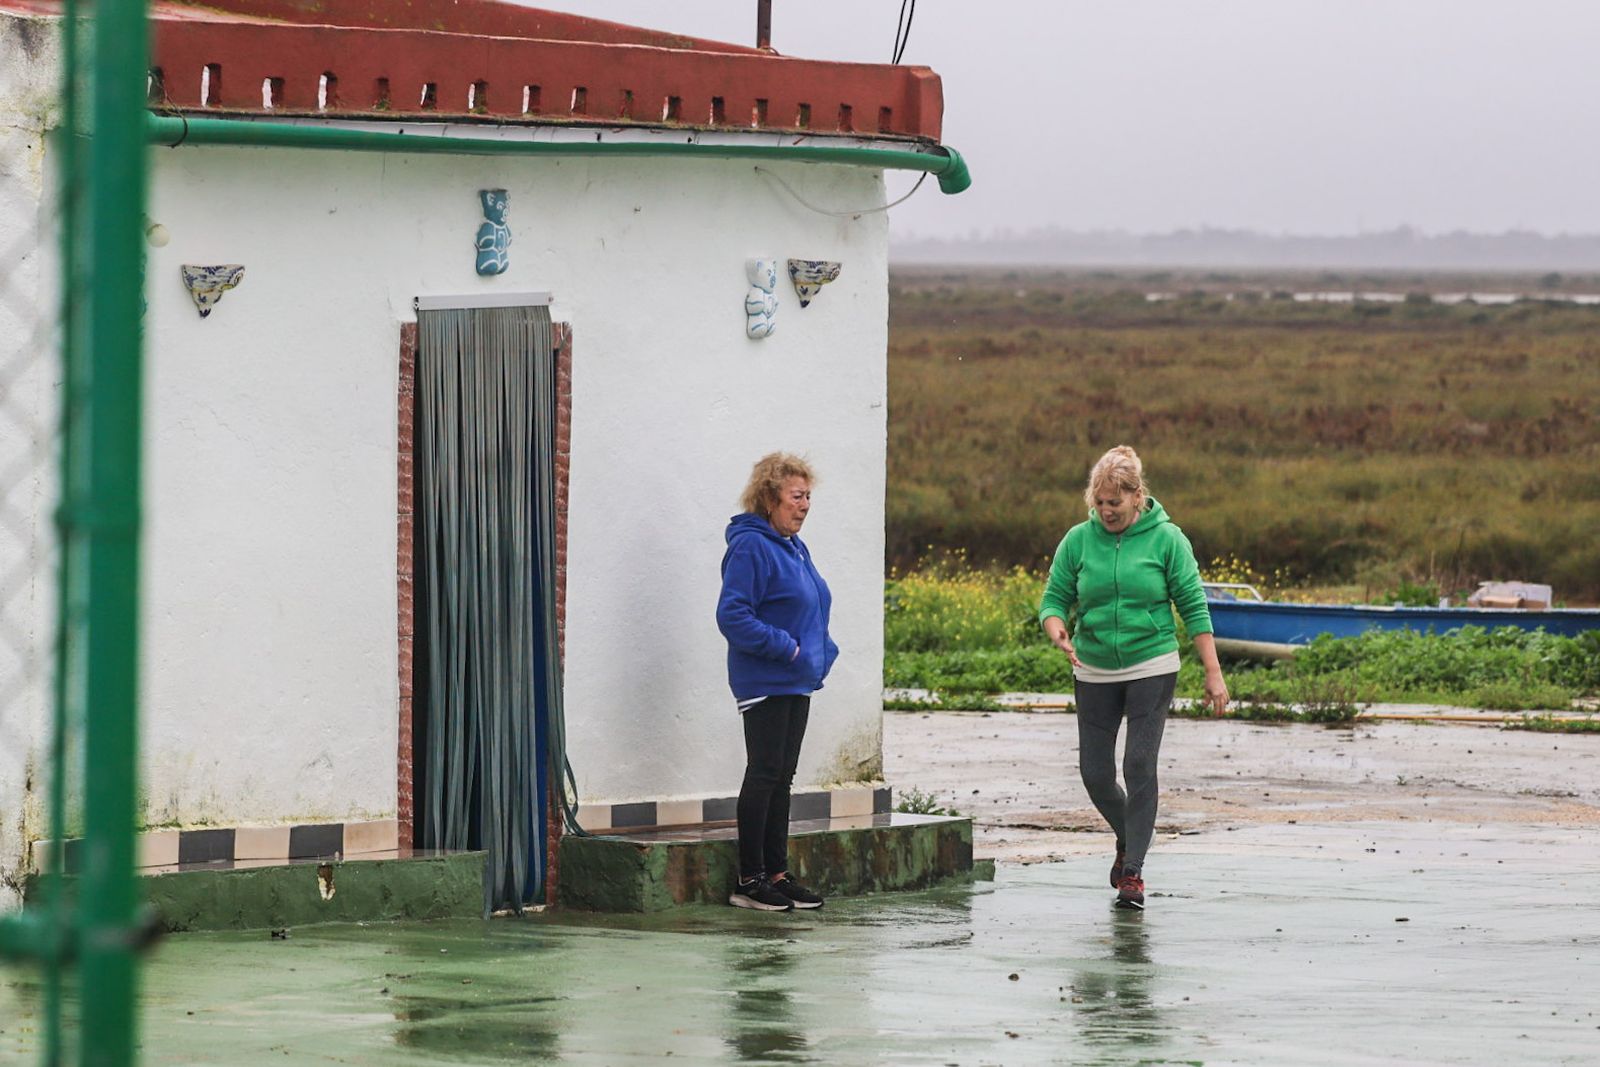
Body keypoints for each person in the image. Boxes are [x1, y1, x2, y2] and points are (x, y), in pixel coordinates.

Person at [1039, 445, 1228, 909]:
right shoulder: (1078, 541)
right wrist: (1057, 629)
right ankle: (1130, 834)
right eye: (1099, 503)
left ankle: (1133, 872)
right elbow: (1054, 598)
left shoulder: (1168, 539)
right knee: (1095, 774)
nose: (1106, 511)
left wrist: (1213, 672)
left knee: (1139, 765)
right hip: (1093, 669)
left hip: (1152, 665)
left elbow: (1193, 606)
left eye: (1115, 502)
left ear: (1137, 496)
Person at [717, 452, 839, 912]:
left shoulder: (793, 546)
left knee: (782, 778)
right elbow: (733, 616)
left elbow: (811, 604)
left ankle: (776, 874)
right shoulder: (751, 546)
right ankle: (748, 880)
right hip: (766, 679)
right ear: (769, 499)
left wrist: (822, 653)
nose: (805, 505)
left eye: (808, 497)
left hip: (796, 680)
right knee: (764, 773)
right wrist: (787, 648)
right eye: (796, 496)